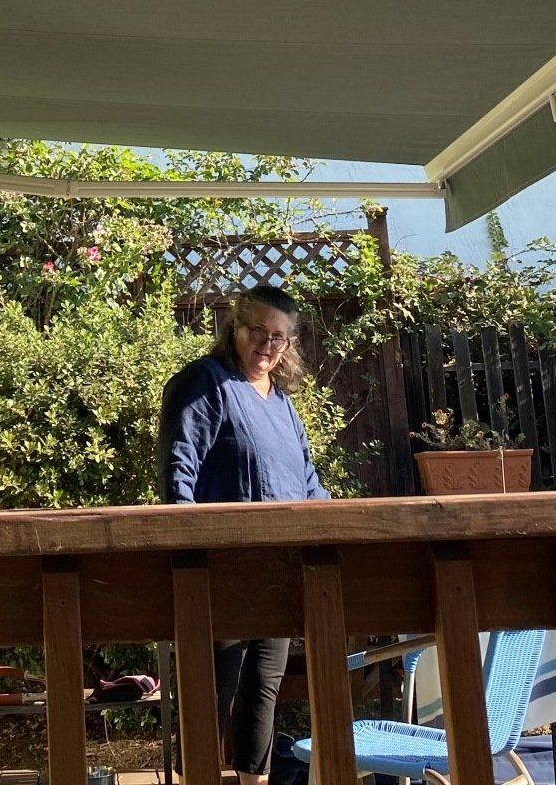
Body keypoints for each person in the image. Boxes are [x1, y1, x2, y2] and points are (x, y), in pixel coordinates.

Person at [157, 284, 330, 785]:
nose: (267, 345)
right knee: (210, 689)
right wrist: (189, 556)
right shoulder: (203, 383)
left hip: (275, 571)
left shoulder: (281, 403)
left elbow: (308, 482)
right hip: (218, 571)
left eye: (279, 337)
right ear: (235, 327)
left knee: (263, 689)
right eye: (259, 331)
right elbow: (177, 471)